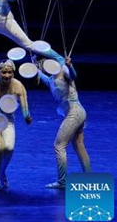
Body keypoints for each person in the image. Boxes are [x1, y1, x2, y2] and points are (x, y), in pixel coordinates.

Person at [35, 56, 90, 189]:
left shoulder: (64, 71)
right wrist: (34, 68)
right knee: (79, 145)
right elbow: (41, 76)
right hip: (76, 113)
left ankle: (62, 181)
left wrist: (70, 65)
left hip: (75, 112)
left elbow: (73, 75)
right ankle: (88, 178)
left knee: (59, 146)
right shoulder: (51, 79)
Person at [0, 60, 31, 190]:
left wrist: (27, 116)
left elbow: (25, 106)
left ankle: (2, 172)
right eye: (4, 72)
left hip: (8, 120)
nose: (7, 75)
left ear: (13, 73)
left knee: (9, 148)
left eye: (9, 72)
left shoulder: (18, 86)